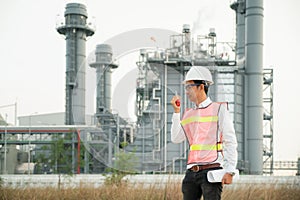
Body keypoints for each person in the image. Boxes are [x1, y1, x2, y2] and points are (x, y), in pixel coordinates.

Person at [170, 66, 238, 200]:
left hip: (211, 171)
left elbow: (230, 141)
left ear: (201, 87)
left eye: (189, 87)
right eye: (186, 87)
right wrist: (176, 113)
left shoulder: (219, 110)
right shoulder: (189, 113)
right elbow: (176, 138)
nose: (186, 91)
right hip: (191, 172)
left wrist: (230, 170)